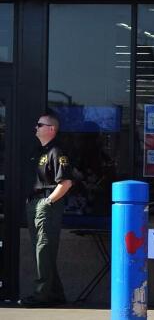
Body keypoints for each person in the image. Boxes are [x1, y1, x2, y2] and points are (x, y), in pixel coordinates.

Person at [20, 112, 74, 308]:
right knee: (42, 250)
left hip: (47, 203)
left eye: (40, 125)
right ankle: (55, 294)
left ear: (51, 129)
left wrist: (47, 202)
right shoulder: (38, 151)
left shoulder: (57, 152)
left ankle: (41, 295)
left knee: (43, 249)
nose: (36, 128)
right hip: (34, 202)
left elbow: (66, 182)